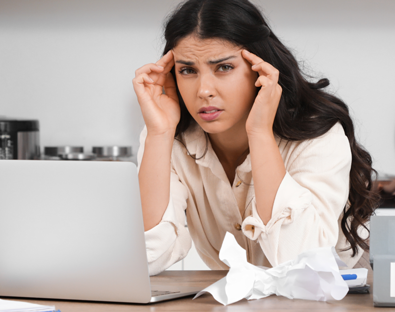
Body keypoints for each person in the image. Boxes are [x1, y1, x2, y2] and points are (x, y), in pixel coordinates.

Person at [132, 0, 378, 275]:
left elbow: (303, 263)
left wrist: (260, 134)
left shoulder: (316, 134)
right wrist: (159, 134)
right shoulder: (166, 135)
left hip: (340, 295)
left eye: (223, 67)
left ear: (259, 68)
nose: (204, 90)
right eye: (187, 70)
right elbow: (146, 258)